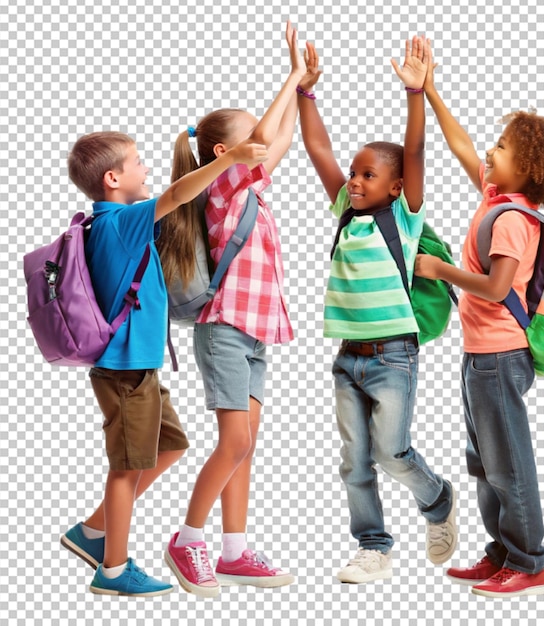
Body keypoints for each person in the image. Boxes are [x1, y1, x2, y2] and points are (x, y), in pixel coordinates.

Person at [61, 130, 267, 597]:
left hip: (139, 369)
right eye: (136, 162)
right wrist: (230, 157)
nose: (145, 169)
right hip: (126, 370)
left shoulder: (114, 223)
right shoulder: (120, 221)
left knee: (170, 445)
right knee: (126, 468)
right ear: (113, 179)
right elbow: (177, 194)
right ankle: (112, 570)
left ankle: (92, 531)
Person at [414, 44, 544, 598]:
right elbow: (463, 146)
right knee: (483, 462)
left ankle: (530, 563)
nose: (490, 150)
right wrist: (430, 90)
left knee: (508, 465)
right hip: (479, 354)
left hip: (499, 356)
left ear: (528, 168)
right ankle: (502, 552)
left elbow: (493, 286)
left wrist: (439, 268)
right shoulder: (496, 198)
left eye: (503, 146)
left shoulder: (512, 221)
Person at [297, 36, 457, 584]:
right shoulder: (346, 210)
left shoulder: (405, 218)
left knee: (392, 455)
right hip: (347, 359)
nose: (355, 181)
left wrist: (416, 93)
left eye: (368, 175)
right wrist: (305, 94)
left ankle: (437, 501)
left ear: (396, 187)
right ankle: (373, 545)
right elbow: (320, 151)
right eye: (355, 173)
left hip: (393, 357)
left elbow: (414, 152)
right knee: (353, 462)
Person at [157, 22, 304, 597]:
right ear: (226, 154)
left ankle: (235, 551)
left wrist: (305, 89)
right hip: (223, 330)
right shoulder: (222, 187)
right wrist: (289, 73)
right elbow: (267, 136)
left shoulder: (253, 189)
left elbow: (280, 138)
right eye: (250, 143)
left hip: (255, 333)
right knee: (235, 442)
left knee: (245, 446)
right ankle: (187, 538)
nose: (264, 148)